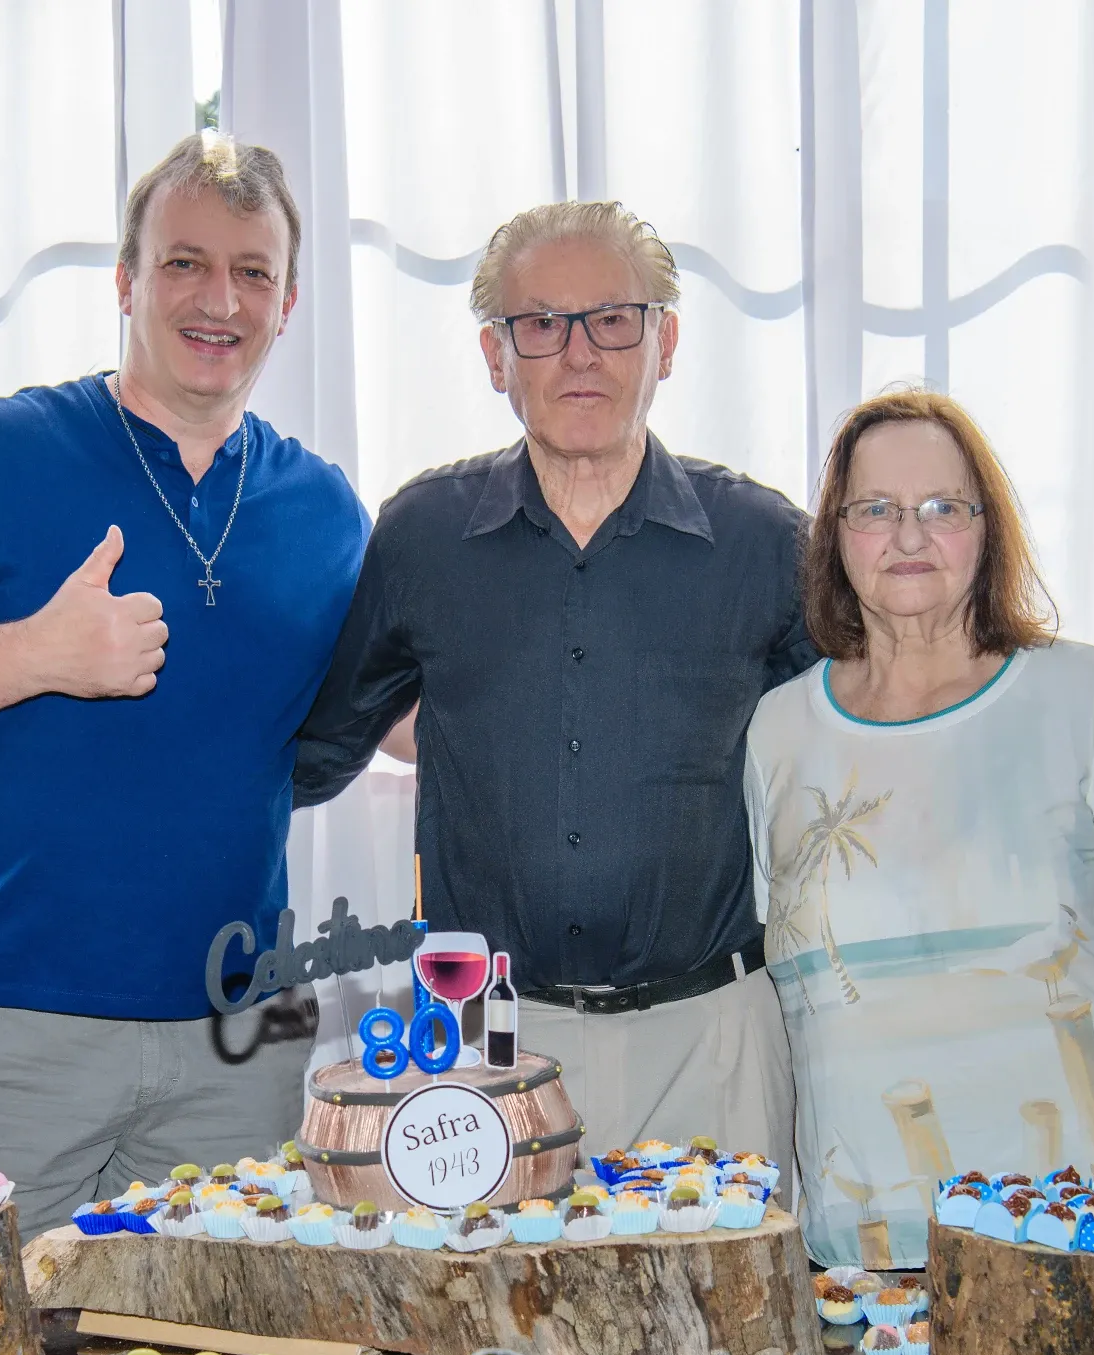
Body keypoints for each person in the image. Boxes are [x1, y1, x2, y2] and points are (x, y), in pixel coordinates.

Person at [0, 133, 368, 1237]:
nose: (220, 299)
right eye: (184, 263)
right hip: (7, 1026)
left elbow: (381, 712)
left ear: (287, 302)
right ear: (125, 280)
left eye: (253, 272)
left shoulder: (326, 508)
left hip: (237, 1041)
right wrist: (39, 654)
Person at [296, 201, 812, 1163]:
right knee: (489, 1316)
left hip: (713, 1040)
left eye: (614, 318)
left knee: (730, 1316)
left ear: (666, 343)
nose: (581, 353)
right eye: (542, 325)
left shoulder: (766, 543)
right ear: (497, 357)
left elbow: (875, 745)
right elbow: (315, 750)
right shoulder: (420, 538)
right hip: (482, 1046)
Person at [744, 388, 1094, 1277]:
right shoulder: (778, 732)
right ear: (835, 538)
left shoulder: (1079, 695)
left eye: (943, 508)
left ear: (988, 528)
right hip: (864, 1261)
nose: (909, 538)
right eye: (875, 511)